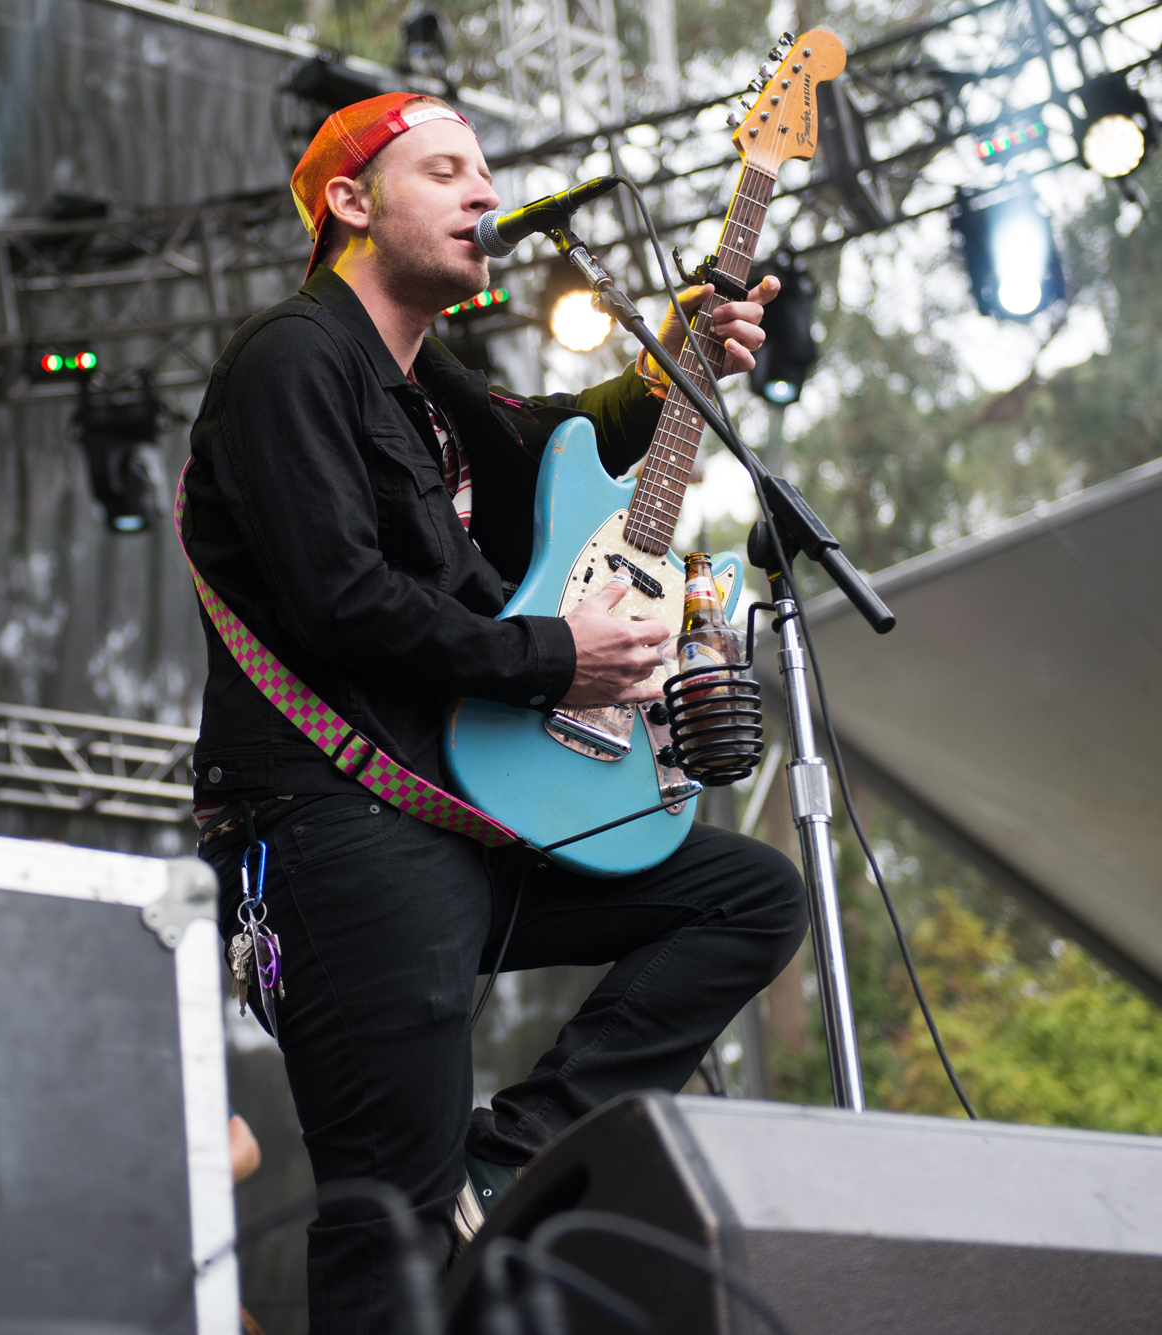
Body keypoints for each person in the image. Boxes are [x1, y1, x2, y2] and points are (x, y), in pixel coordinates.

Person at [181, 93, 808, 1333]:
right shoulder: (291, 358)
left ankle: (510, 1152)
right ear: (351, 203)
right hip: (333, 827)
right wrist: (553, 657)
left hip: (460, 820)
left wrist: (662, 358)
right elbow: (340, 599)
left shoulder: (432, 386)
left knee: (748, 897)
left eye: (488, 171)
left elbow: (554, 439)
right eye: (448, 171)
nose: (485, 195)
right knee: (388, 1219)